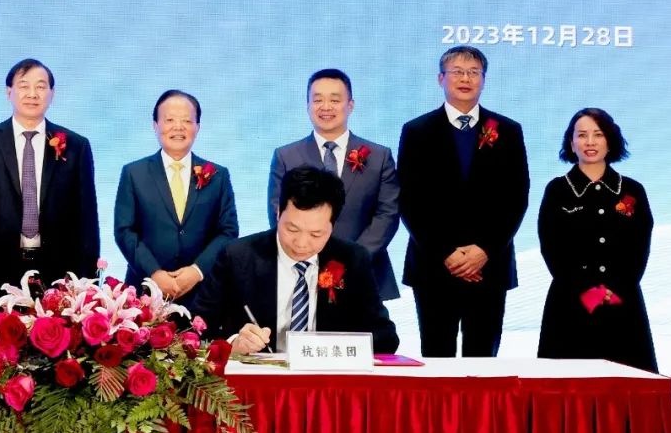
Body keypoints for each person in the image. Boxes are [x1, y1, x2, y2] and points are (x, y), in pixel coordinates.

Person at [397, 46, 529, 357]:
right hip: (434, 265)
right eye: (457, 72)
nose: (465, 79)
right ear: (441, 79)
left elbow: (516, 197)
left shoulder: (508, 131)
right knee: (437, 356)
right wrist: (446, 253)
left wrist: (484, 250)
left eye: (473, 72)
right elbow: (410, 199)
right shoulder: (417, 131)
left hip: (489, 265)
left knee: (483, 359)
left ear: (484, 80)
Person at [192, 166, 398, 355]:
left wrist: (333, 349)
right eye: (292, 229)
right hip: (261, 377)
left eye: (316, 234)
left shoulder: (352, 259)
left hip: (326, 378)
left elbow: (386, 337)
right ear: (278, 213)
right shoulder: (238, 256)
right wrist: (233, 344)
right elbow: (195, 330)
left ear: (332, 226)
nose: (301, 243)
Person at [0, 59, 99, 304]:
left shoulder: (76, 146)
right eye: (24, 86)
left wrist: (87, 279)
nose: (32, 94)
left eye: (41, 86)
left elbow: (87, 217)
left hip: (60, 272)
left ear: (52, 94)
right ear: (8, 92)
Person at [537, 108, 657, 372]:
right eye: (581, 135)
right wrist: (586, 289)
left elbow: (639, 247)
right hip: (570, 303)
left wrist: (614, 288)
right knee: (567, 383)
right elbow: (552, 247)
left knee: (627, 382)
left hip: (622, 301)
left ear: (610, 141)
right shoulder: (557, 190)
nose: (590, 142)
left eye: (598, 134)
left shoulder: (632, 190)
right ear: (571, 143)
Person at [268, 69, 400, 300]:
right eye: (318, 100)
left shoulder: (378, 156)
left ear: (350, 105)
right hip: (303, 272)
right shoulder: (286, 156)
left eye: (335, 100)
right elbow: (278, 214)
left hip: (364, 272)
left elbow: (387, 215)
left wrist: (352, 260)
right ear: (308, 105)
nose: (326, 107)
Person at [114, 90, 238, 306]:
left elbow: (228, 231)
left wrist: (196, 271)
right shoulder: (134, 173)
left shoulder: (218, 176)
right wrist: (154, 273)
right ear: (155, 125)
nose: (178, 127)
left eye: (187, 121)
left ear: (197, 127)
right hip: (145, 292)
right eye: (169, 120)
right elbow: (124, 231)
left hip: (204, 292)